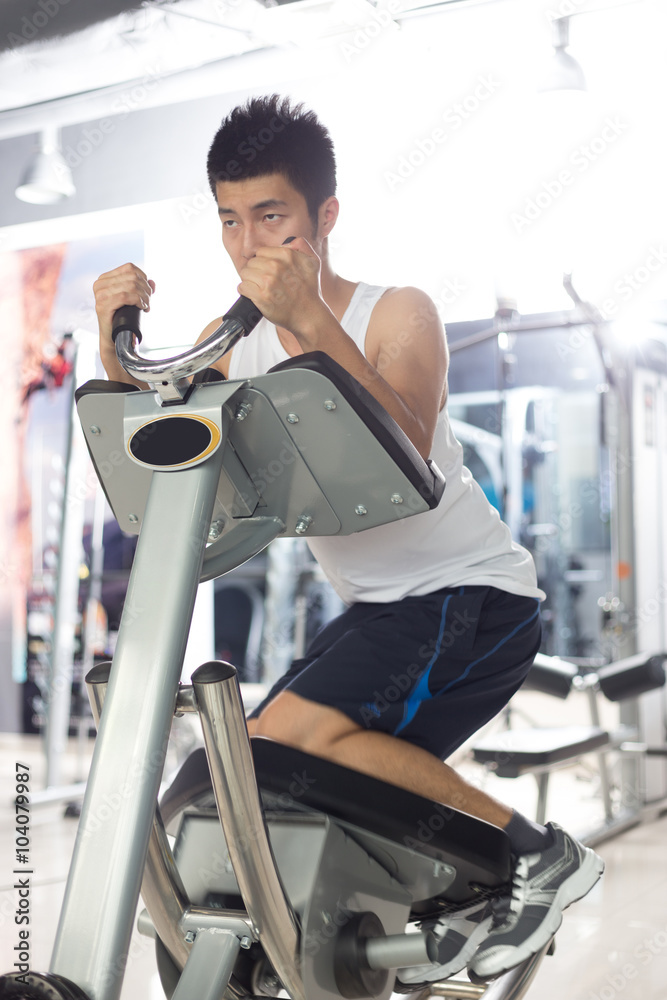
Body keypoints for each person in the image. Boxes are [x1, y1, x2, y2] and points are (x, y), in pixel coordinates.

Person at [93, 94, 604, 985]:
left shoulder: (394, 311)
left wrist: (308, 321)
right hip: (377, 612)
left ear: (323, 218)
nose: (248, 242)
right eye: (230, 220)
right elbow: (161, 444)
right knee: (238, 780)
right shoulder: (234, 350)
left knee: (294, 742)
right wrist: (115, 348)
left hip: (472, 597)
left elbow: (405, 446)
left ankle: (533, 857)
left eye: (272, 217)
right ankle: (446, 895)